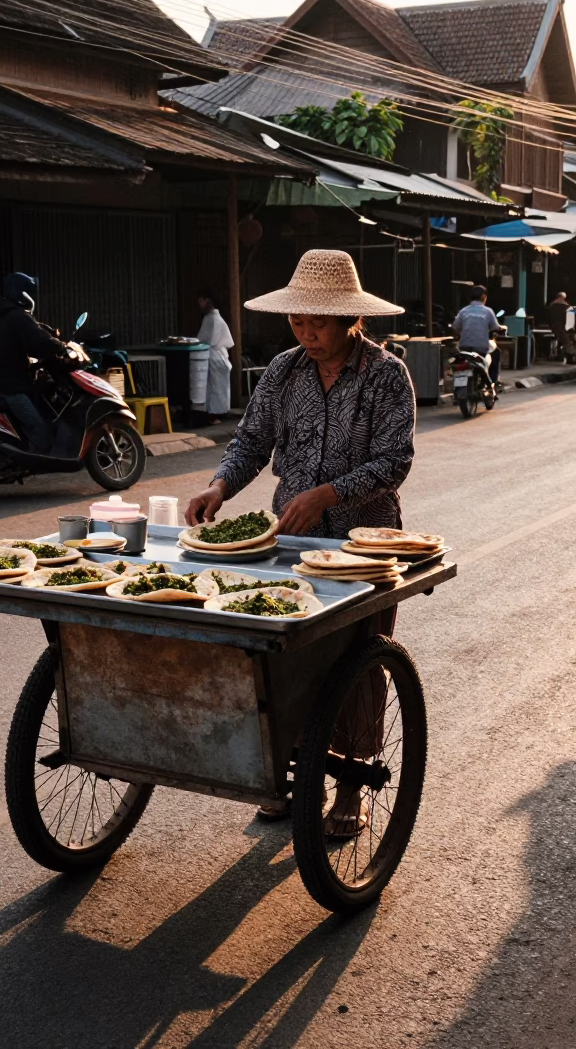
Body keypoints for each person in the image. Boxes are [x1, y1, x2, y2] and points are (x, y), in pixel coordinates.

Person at [186, 249, 414, 835]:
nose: (306, 333)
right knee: (283, 657)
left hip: (363, 545)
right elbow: (250, 443)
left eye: (317, 323)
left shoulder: (387, 375)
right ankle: (285, 778)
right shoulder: (283, 372)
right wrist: (218, 488)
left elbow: (395, 460)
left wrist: (327, 495)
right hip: (287, 543)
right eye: (297, 322)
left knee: (357, 659)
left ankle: (352, 783)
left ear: (348, 321)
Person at [0, 273, 70, 454]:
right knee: (39, 429)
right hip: (8, 385)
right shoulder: (18, 317)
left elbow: (34, 334)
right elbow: (39, 341)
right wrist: (62, 347)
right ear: (23, 294)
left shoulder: (2, 316)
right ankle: (35, 457)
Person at [452, 286, 502, 386]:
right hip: (481, 348)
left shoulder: (463, 311)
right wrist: (500, 328)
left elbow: (455, 327)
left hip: (464, 347)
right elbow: (495, 327)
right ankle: (492, 383)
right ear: (484, 297)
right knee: (496, 352)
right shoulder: (488, 311)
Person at [196, 293, 234, 424]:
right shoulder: (209, 318)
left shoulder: (214, 319)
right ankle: (212, 413)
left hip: (215, 356)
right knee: (214, 388)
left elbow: (211, 341)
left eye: (202, 300)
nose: (200, 304)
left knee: (216, 388)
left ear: (209, 301)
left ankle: (215, 414)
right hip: (212, 355)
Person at [547, 291, 574, 363]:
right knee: (567, 340)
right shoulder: (567, 306)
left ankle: (559, 355)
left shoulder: (551, 305)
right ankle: (570, 356)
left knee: (561, 339)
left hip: (554, 326)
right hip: (563, 326)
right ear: (564, 297)